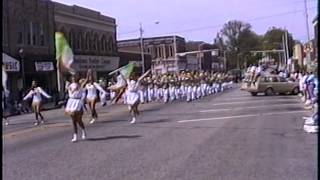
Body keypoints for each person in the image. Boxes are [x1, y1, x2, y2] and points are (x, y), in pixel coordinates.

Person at [65, 74, 88, 142]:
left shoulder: (80, 85)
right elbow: (62, 75)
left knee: (79, 120)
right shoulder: (69, 85)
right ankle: (75, 135)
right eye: (72, 78)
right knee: (73, 120)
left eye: (74, 77)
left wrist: (89, 73)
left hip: (77, 101)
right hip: (71, 101)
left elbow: (86, 81)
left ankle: (83, 131)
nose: (73, 79)